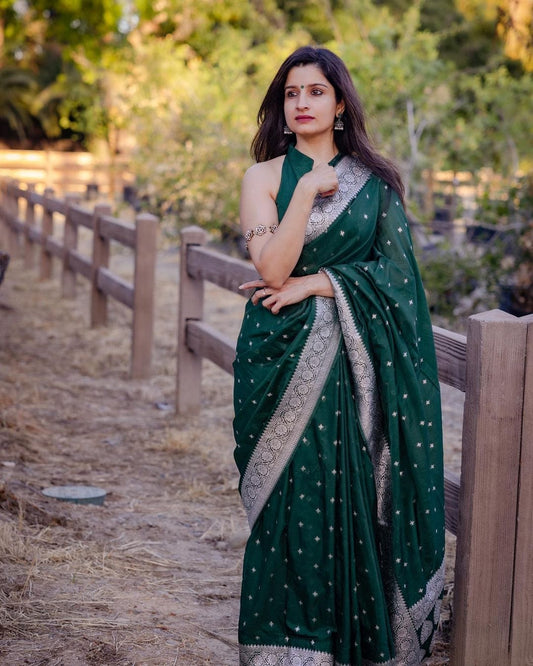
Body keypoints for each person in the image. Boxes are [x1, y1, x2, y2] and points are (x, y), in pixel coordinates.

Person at [232, 45, 445, 666]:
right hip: (277, 360)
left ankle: (346, 646)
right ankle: (286, 650)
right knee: (288, 507)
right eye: (292, 93)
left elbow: (399, 281)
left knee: (340, 500)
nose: (302, 103)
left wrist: (320, 283)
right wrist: (307, 193)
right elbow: (270, 266)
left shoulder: (376, 185)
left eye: (316, 91)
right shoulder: (264, 178)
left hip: (352, 371)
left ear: (341, 103)